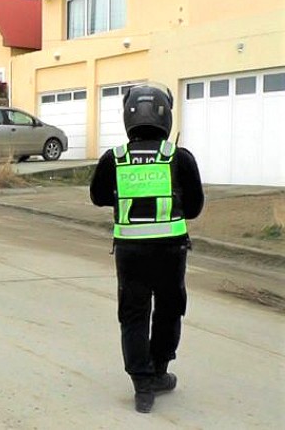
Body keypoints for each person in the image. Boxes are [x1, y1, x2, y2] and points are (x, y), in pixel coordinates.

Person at [89, 83, 204, 413]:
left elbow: (97, 197)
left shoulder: (115, 158)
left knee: (134, 314)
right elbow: (194, 207)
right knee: (169, 309)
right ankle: (159, 371)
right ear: (166, 116)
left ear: (128, 117)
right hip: (171, 251)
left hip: (130, 253)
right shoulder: (178, 157)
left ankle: (142, 386)